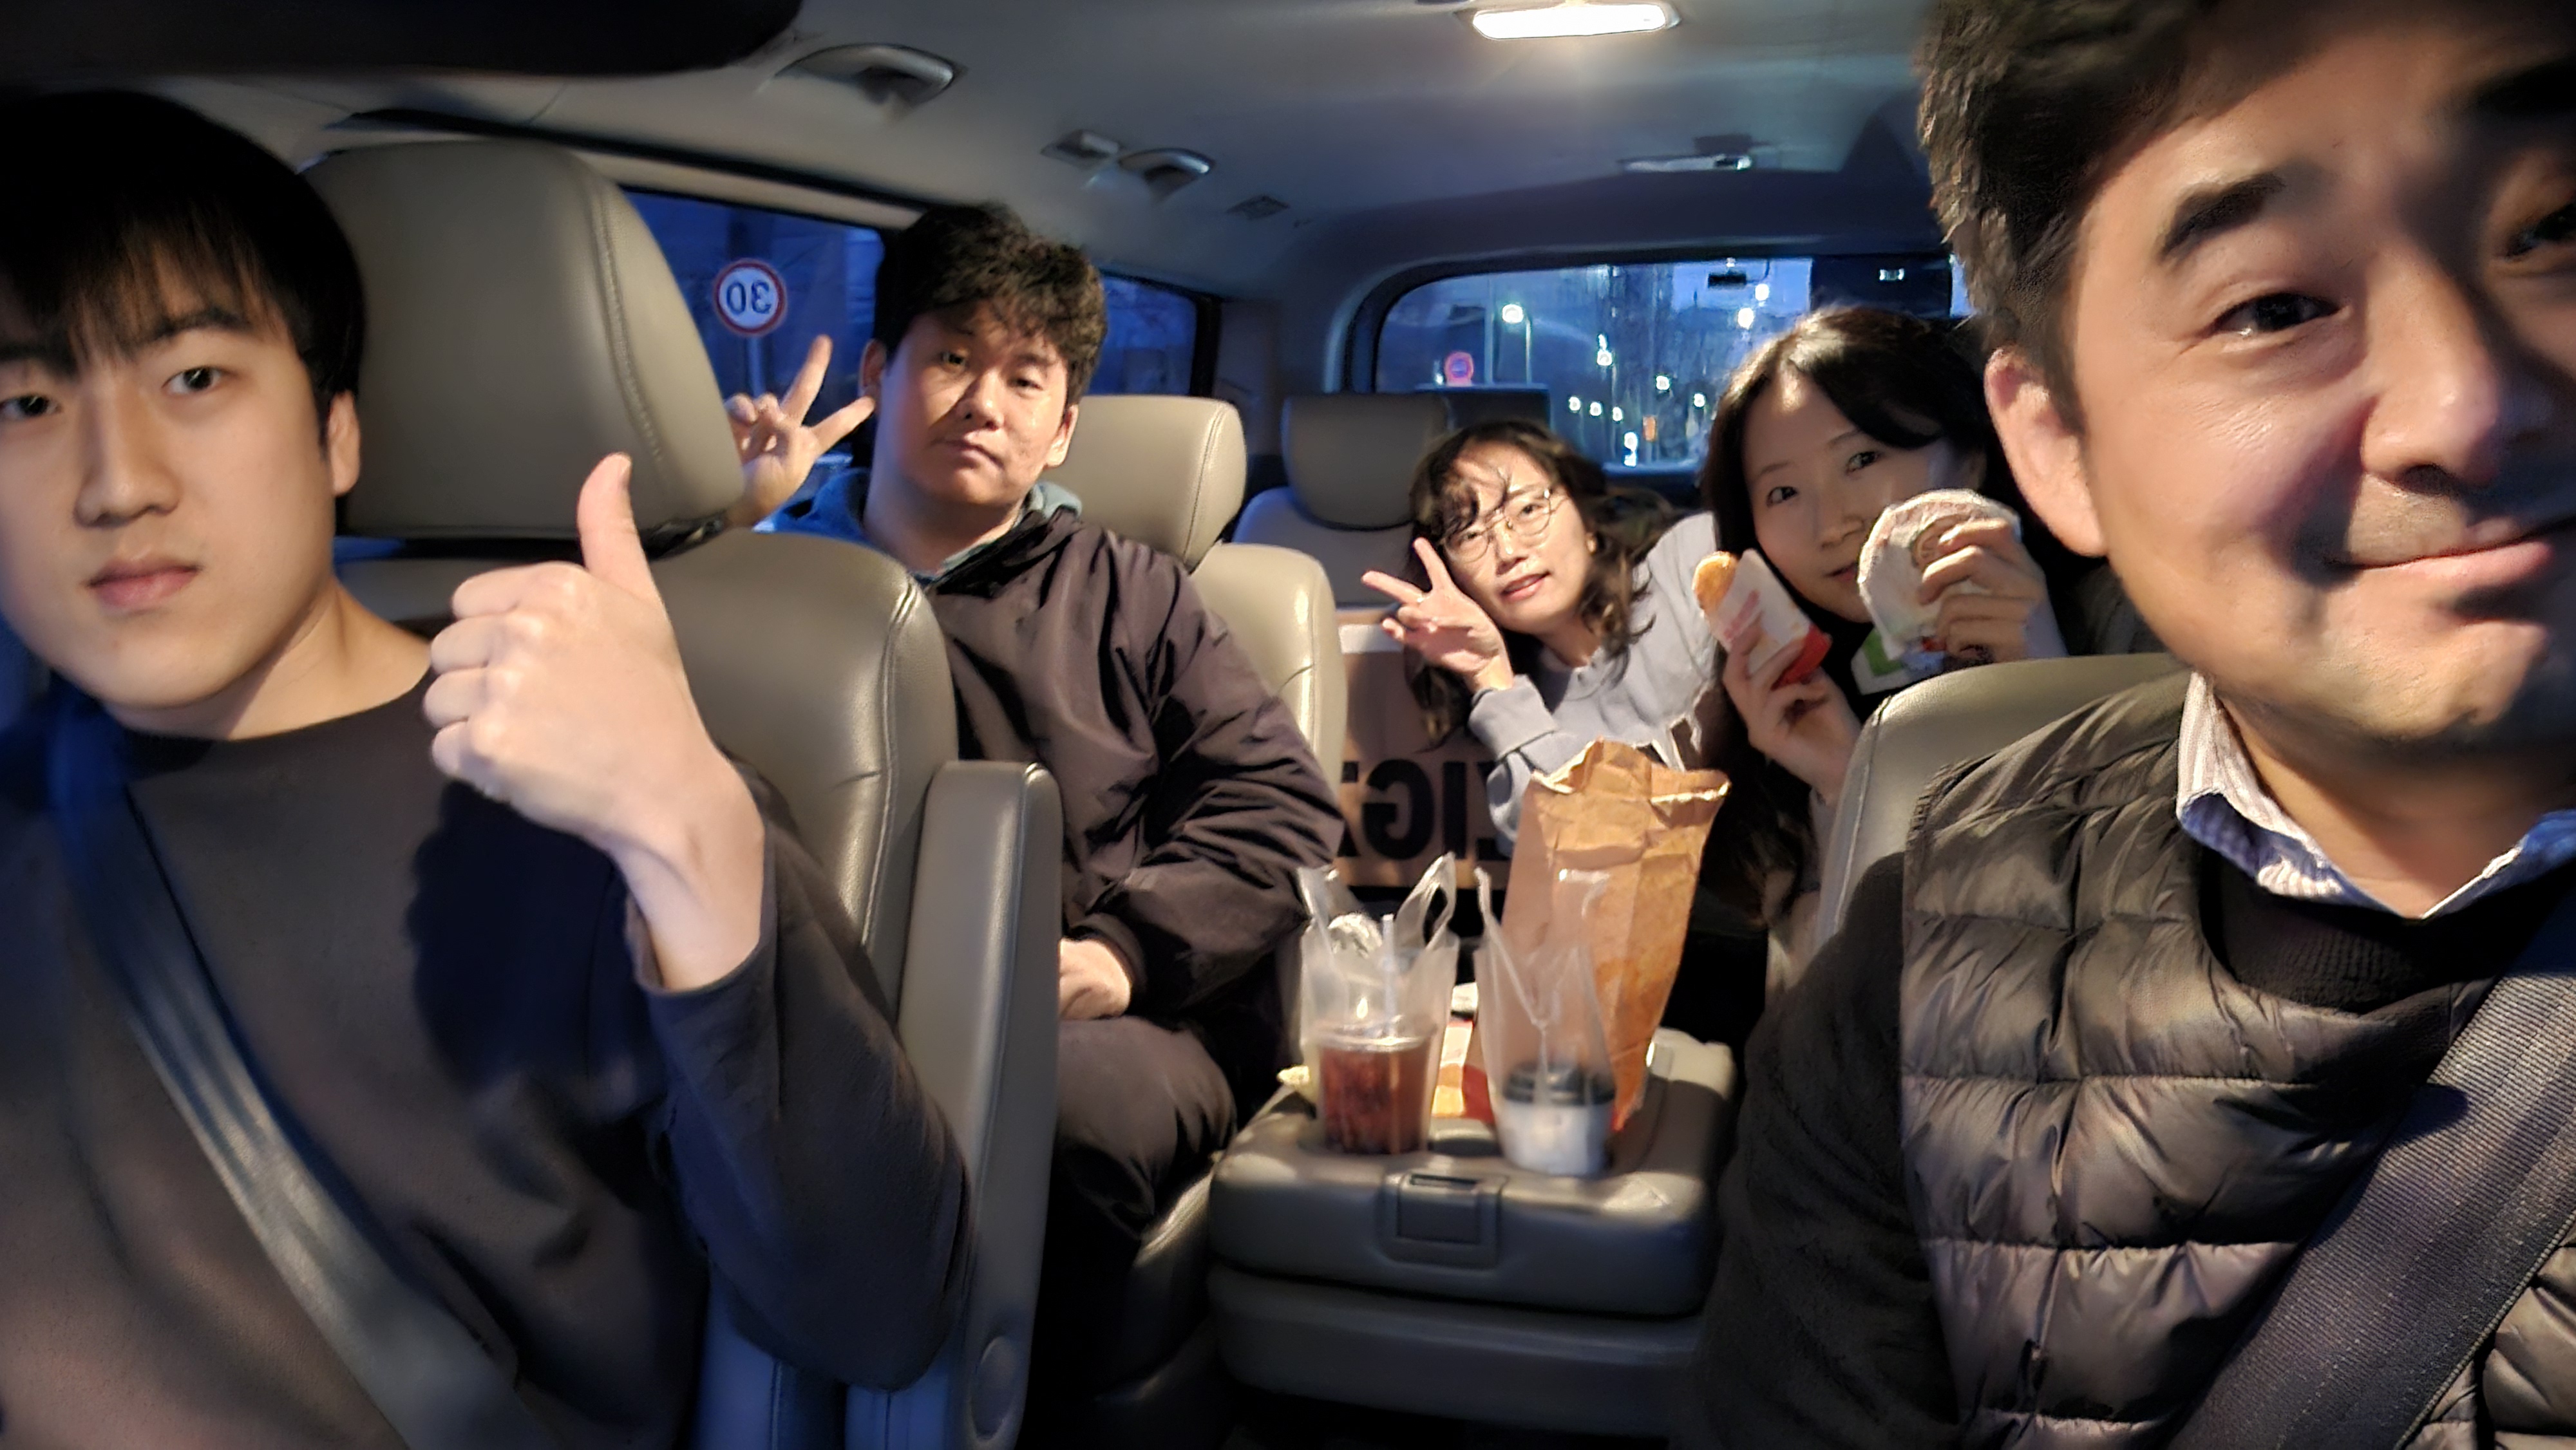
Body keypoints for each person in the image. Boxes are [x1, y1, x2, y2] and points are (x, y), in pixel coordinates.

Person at [0, 91, 969, 1449]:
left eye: (195, 379)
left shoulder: (590, 788)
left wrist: (684, 821)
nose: (116, 482)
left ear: (336, 429)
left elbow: (880, 1312)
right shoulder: (25, 797)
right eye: (26, 400)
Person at [1683, 0, 2576, 1444]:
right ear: (2056, 441)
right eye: (2272, 307)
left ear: (1980, 455)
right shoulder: (1901, 963)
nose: (2461, 407)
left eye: (2556, 228)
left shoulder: (2071, 629)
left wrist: (2033, 654)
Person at [753, 203, 1343, 1439]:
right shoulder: (778, 581)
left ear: (1065, 423)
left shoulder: (1130, 593)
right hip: (815, 998)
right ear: (879, 372)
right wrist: (733, 530)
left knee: (1044, 1118)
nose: (985, 402)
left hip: (1094, 1012)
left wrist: (1126, 952)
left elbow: (1280, 800)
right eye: (952, 357)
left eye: (1027, 378)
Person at [1693, 305, 2083, 957]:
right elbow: (1842, 994)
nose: (1831, 524)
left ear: (1968, 462)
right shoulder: (1784, 715)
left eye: (1862, 458)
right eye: (1783, 493)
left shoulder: (2107, 616)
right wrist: (1847, 782)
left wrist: (2048, 686)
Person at [1365, 418, 1709, 854]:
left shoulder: (1695, 564)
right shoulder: (1525, 712)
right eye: (1471, 535)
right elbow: (1578, 856)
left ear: (1586, 519)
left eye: (1528, 510)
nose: (1508, 553)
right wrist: (1490, 677)